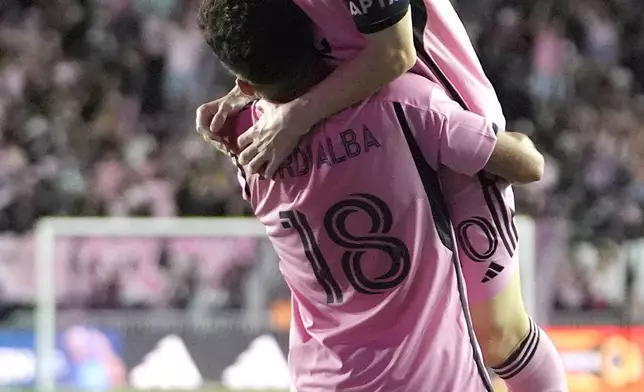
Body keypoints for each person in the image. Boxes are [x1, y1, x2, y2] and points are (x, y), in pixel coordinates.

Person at [196, 1, 568, 391]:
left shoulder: (253, 148)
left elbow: (395, 51)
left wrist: (291, 112)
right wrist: (256, 92)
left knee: (498, 333)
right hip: (366, 112)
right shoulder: (265, 127)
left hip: (435, 112)